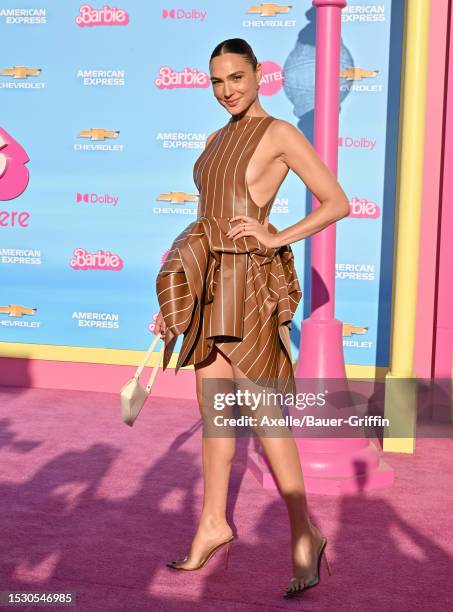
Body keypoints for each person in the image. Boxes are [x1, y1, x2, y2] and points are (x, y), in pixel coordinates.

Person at [154, 38, 350, 598]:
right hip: (209, 284)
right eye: (217, 81)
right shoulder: (216, 139)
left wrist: (276, 236)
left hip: (249, 287)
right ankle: (212, 523)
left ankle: (303, 536)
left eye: (236, 78)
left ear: (260, 75)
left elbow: (336, 201)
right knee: (215, 416)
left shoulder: (280, 134)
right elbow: (200, 225)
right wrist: (176, 294)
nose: (227, 90)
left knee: (266, 420)